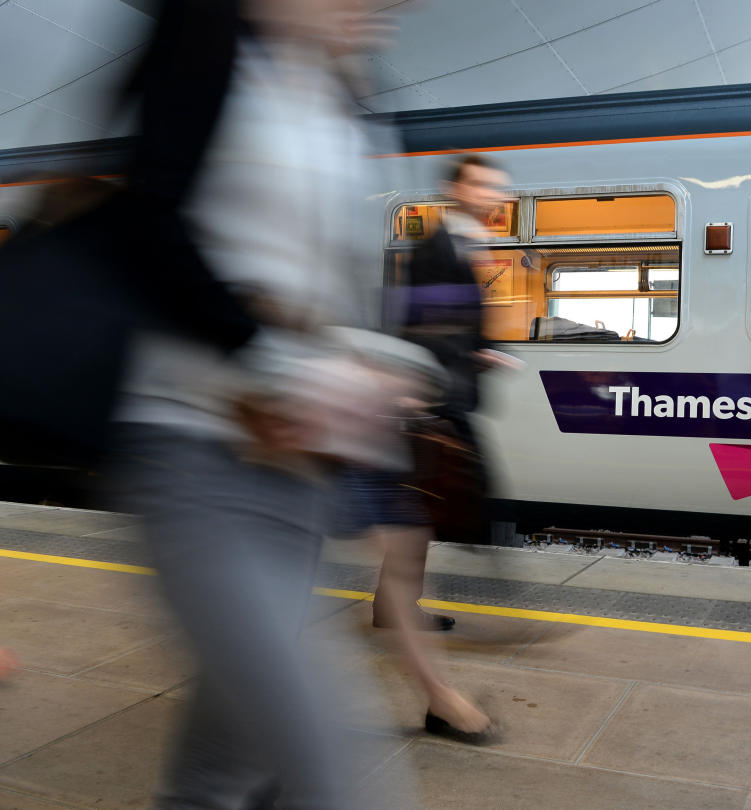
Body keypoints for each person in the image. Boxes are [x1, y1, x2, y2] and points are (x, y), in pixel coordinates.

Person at [108, 1, 416, 807]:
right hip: (190, 451)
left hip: (295, 478)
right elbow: (145, 230)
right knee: (337, 776)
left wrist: (365, 366)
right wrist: (278, 361)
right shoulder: (210, 47)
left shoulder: (339, 92)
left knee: (227, 774)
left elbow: (309, 283)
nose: (389, 10)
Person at [373, 153, 518, 633]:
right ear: (454, 189)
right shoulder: (437, 248)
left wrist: (486, 350)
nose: (489, 194)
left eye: (493, 186)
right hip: (437, 395)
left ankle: (393, 607)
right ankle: (505, 596)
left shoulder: (468, 245)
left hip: (447, 389)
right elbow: (423, 326)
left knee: (424, 506)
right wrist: (430, 387)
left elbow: (457, 324)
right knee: (461, 492)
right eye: (479, 185)